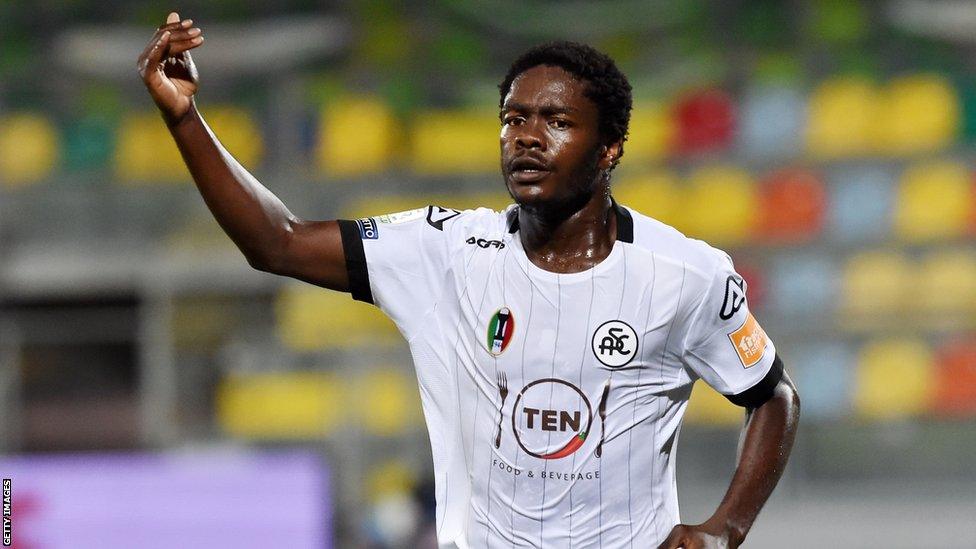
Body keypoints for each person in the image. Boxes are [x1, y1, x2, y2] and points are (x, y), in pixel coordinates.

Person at [138, 12, 800, 548]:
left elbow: (773, 396)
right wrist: (184, 118)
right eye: (514, 119)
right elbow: (273, 241)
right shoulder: (445, 251)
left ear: (609, 150)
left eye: (557, 121)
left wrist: (725, 527)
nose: (527, 138)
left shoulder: (684, 275)